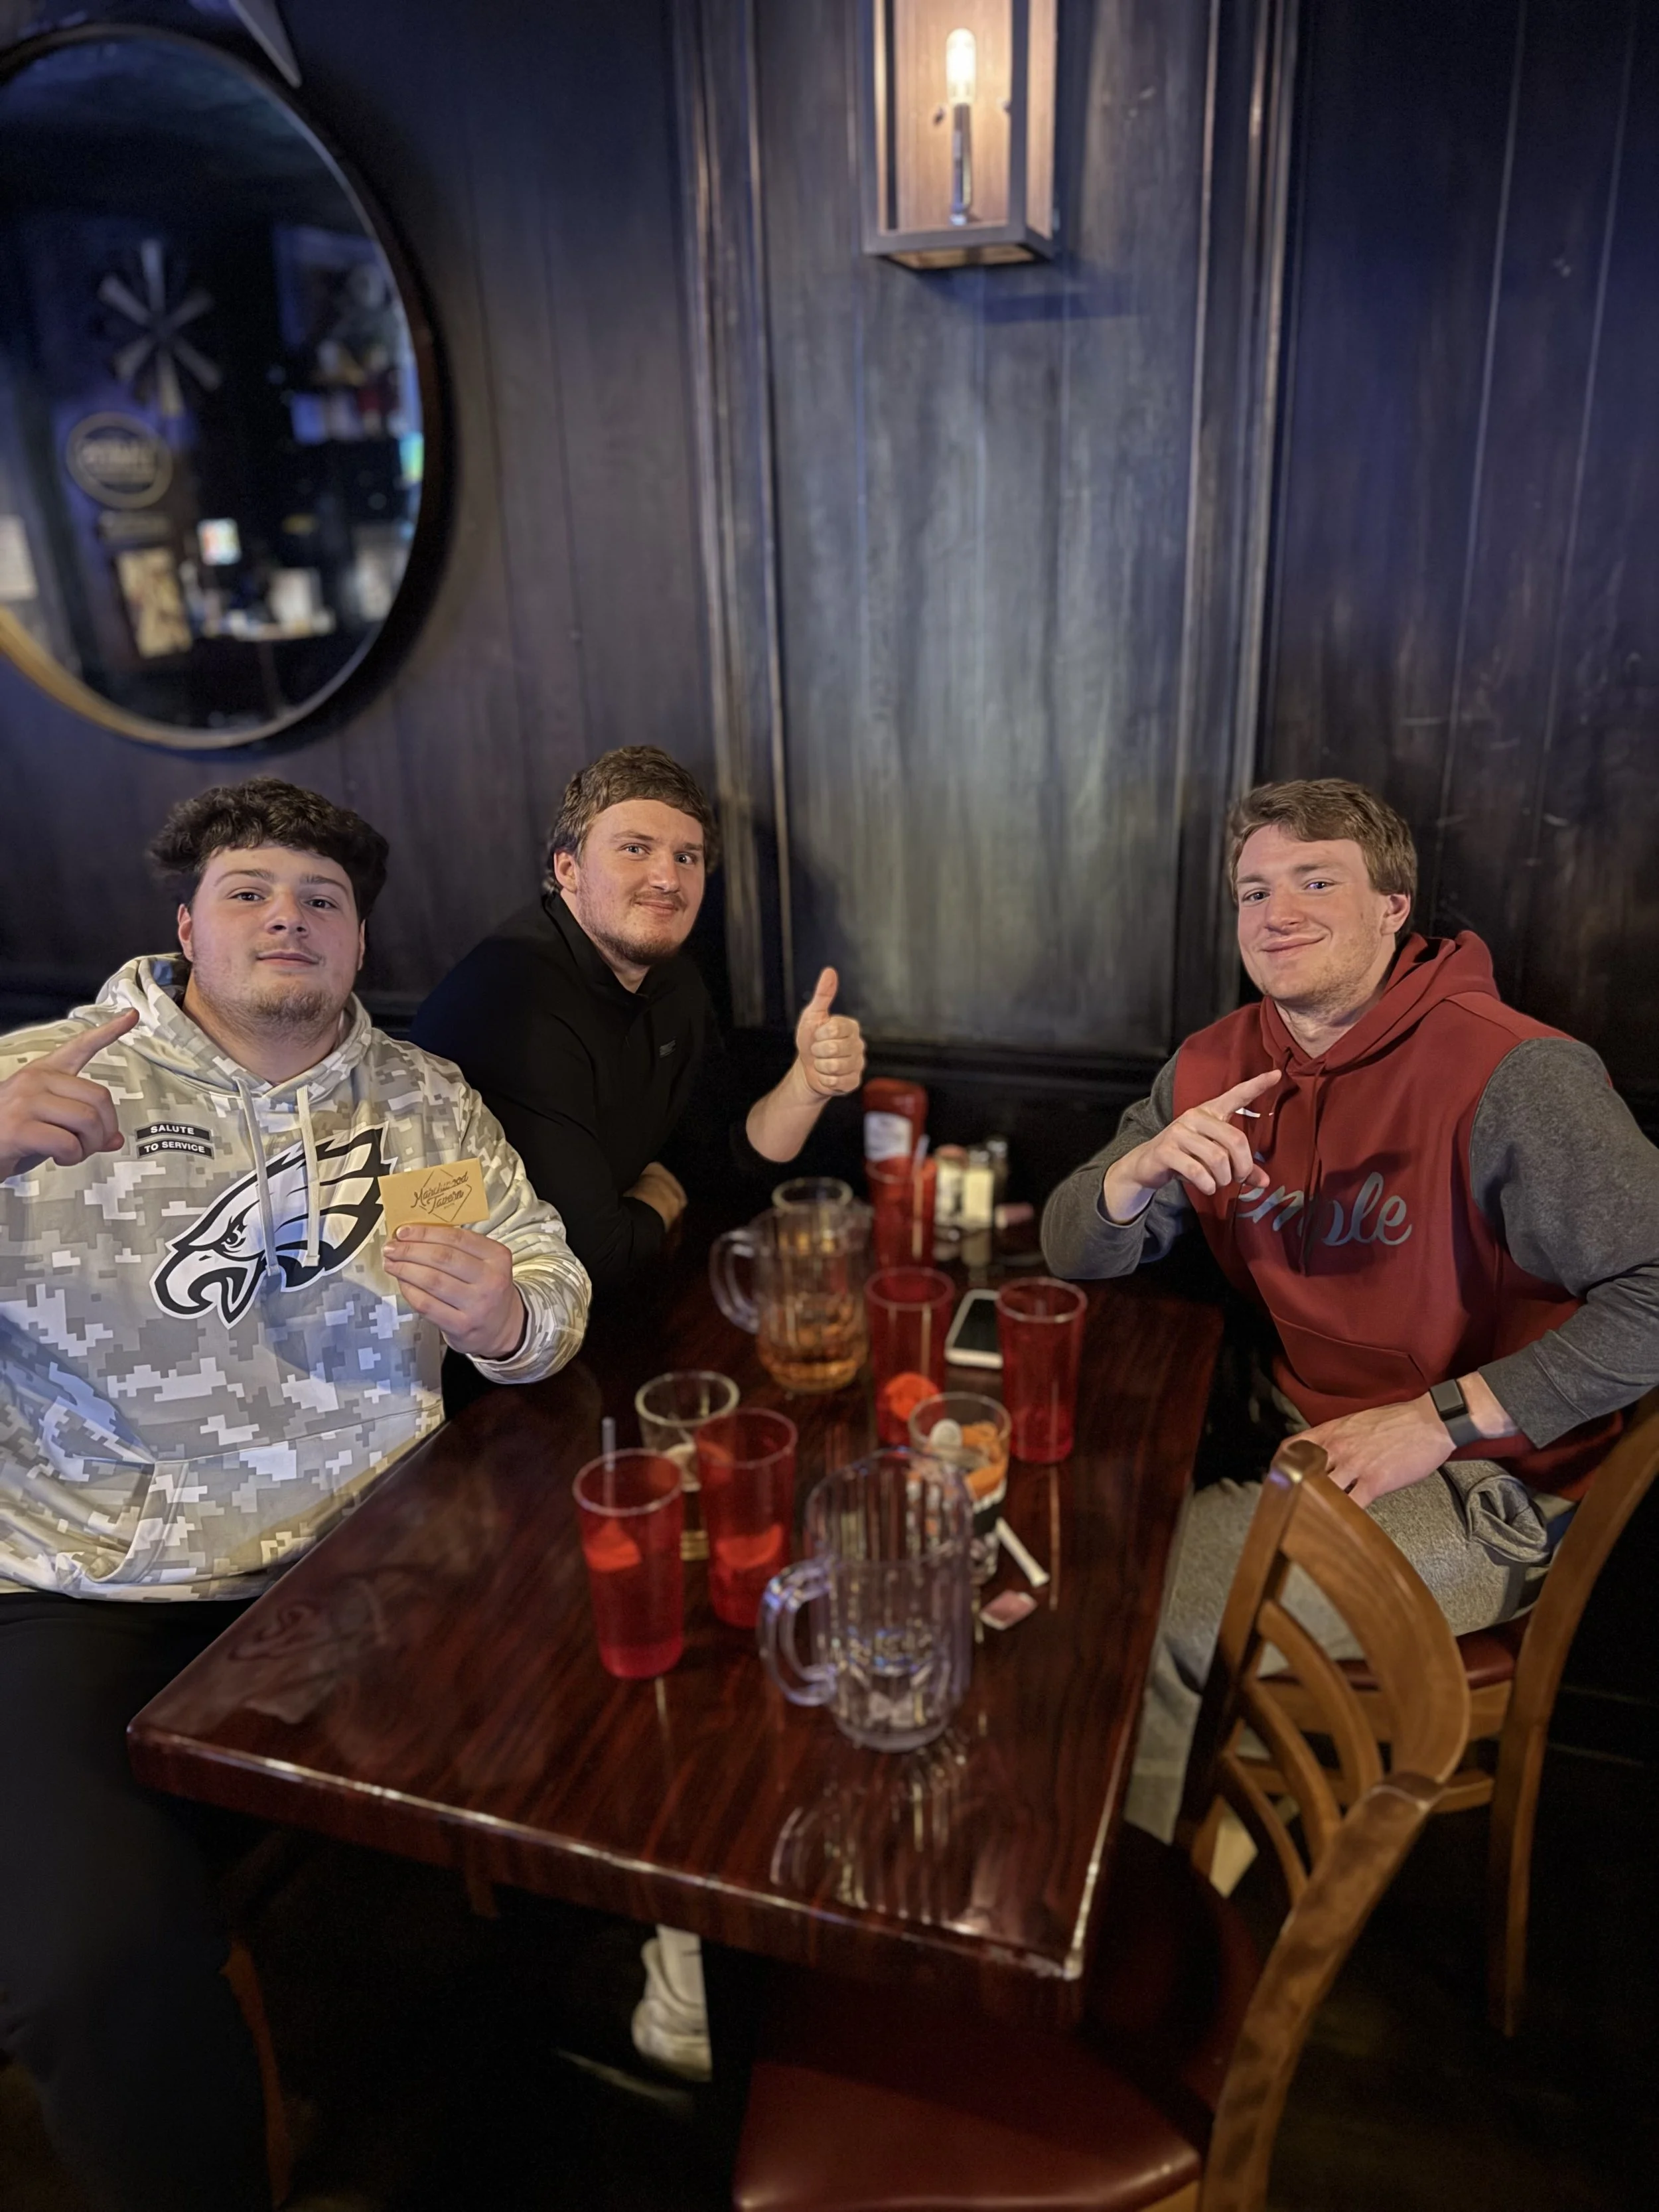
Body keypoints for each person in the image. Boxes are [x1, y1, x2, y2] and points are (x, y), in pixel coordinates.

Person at [0, 778, 591, 2212]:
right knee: (88, 1966)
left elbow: (554, 1285)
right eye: (252, 891)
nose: (288, 918)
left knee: (598, 1778)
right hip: (85, 1585)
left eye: (322, 899)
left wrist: (509, 1317)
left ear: (357, 937)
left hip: (365, 1568)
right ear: (184, 921)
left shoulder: (423, 1100)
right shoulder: (39, 1073)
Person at [1042, 778, 1659, 1841]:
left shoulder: (1516, 1072)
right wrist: (1132, 1172)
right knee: (1057, 1532)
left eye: (1316, 878)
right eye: (1252, 890)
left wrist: (1438, 1419)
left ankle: (1127, 1937)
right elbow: (1069, 1245)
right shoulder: (1214, 1063)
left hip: (1486, 1483)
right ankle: (1158, 1826)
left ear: (1393, 906)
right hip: (1293, 1434)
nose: (1276, 912)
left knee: (1142, 1614)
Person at [411, 746, 867, 1298]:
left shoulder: (673, 979)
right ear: (568, 868)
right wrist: (664, 1192)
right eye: (635, 848)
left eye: (687, 857)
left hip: (607, 1309)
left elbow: (725, 1160)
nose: (667, 878)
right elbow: (591, 1258)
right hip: (466, 1350)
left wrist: (808, 1084)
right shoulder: (512, 1001)